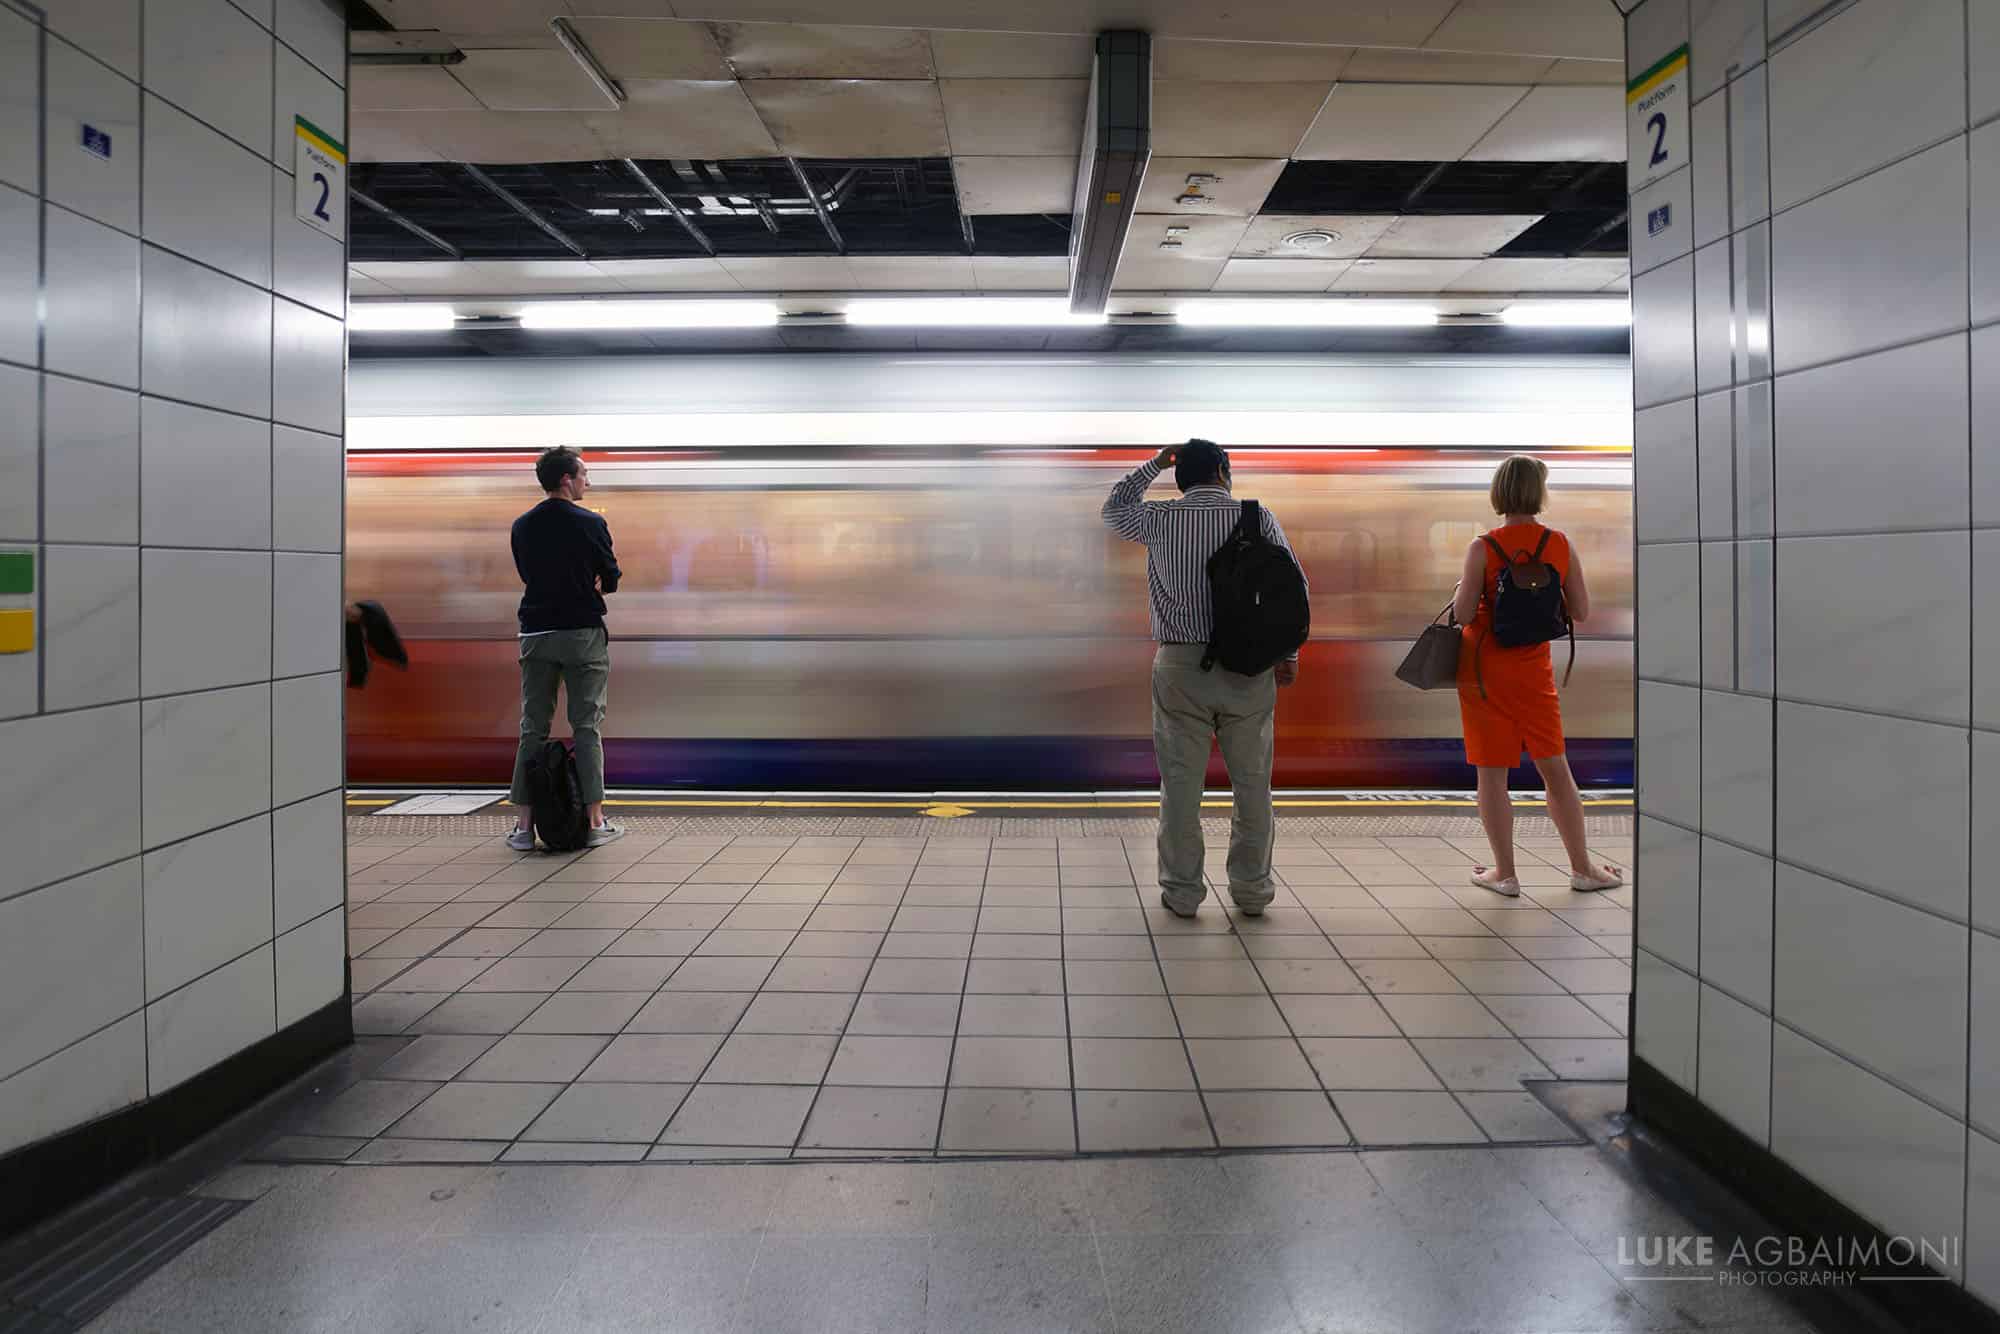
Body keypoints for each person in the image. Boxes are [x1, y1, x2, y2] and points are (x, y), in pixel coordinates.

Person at [1103, 439, 1306, 918]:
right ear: (1221, 471)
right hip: (1249, 668)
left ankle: (1182, 893)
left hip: (1179, 668)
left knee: (1180, 787)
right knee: (1253, 784)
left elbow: (1113, 509)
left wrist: (1155, 462)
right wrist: (1288, 653)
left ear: (1180, 476)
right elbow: (1292, 588)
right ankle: (1252, 892)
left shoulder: (1159, 520)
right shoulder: (1257, 518)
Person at [1451, 454, 1623, 895]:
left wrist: (1463, 590)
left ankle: (1504, 874)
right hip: (1534, 675)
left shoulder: (1483, 548)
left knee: (1491, 776)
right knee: (1556, 772)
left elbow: (1464, 613)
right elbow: (1581, 611)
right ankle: (1583, 868)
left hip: (1484, 675)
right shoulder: (1558, 545)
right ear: (1540, 493)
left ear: (1499, 493)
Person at [507, 447, 624, 850]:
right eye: (584, 474)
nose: (588, 482)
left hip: (536, 632)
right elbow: (610, 576)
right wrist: (596, 582)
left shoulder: (522, 525)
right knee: (586, 725)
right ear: (566, 480)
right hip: (581, 633)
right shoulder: (592, 523)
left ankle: (523, 827)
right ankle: (594, 822)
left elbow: (527, 574)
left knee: (532, 727)